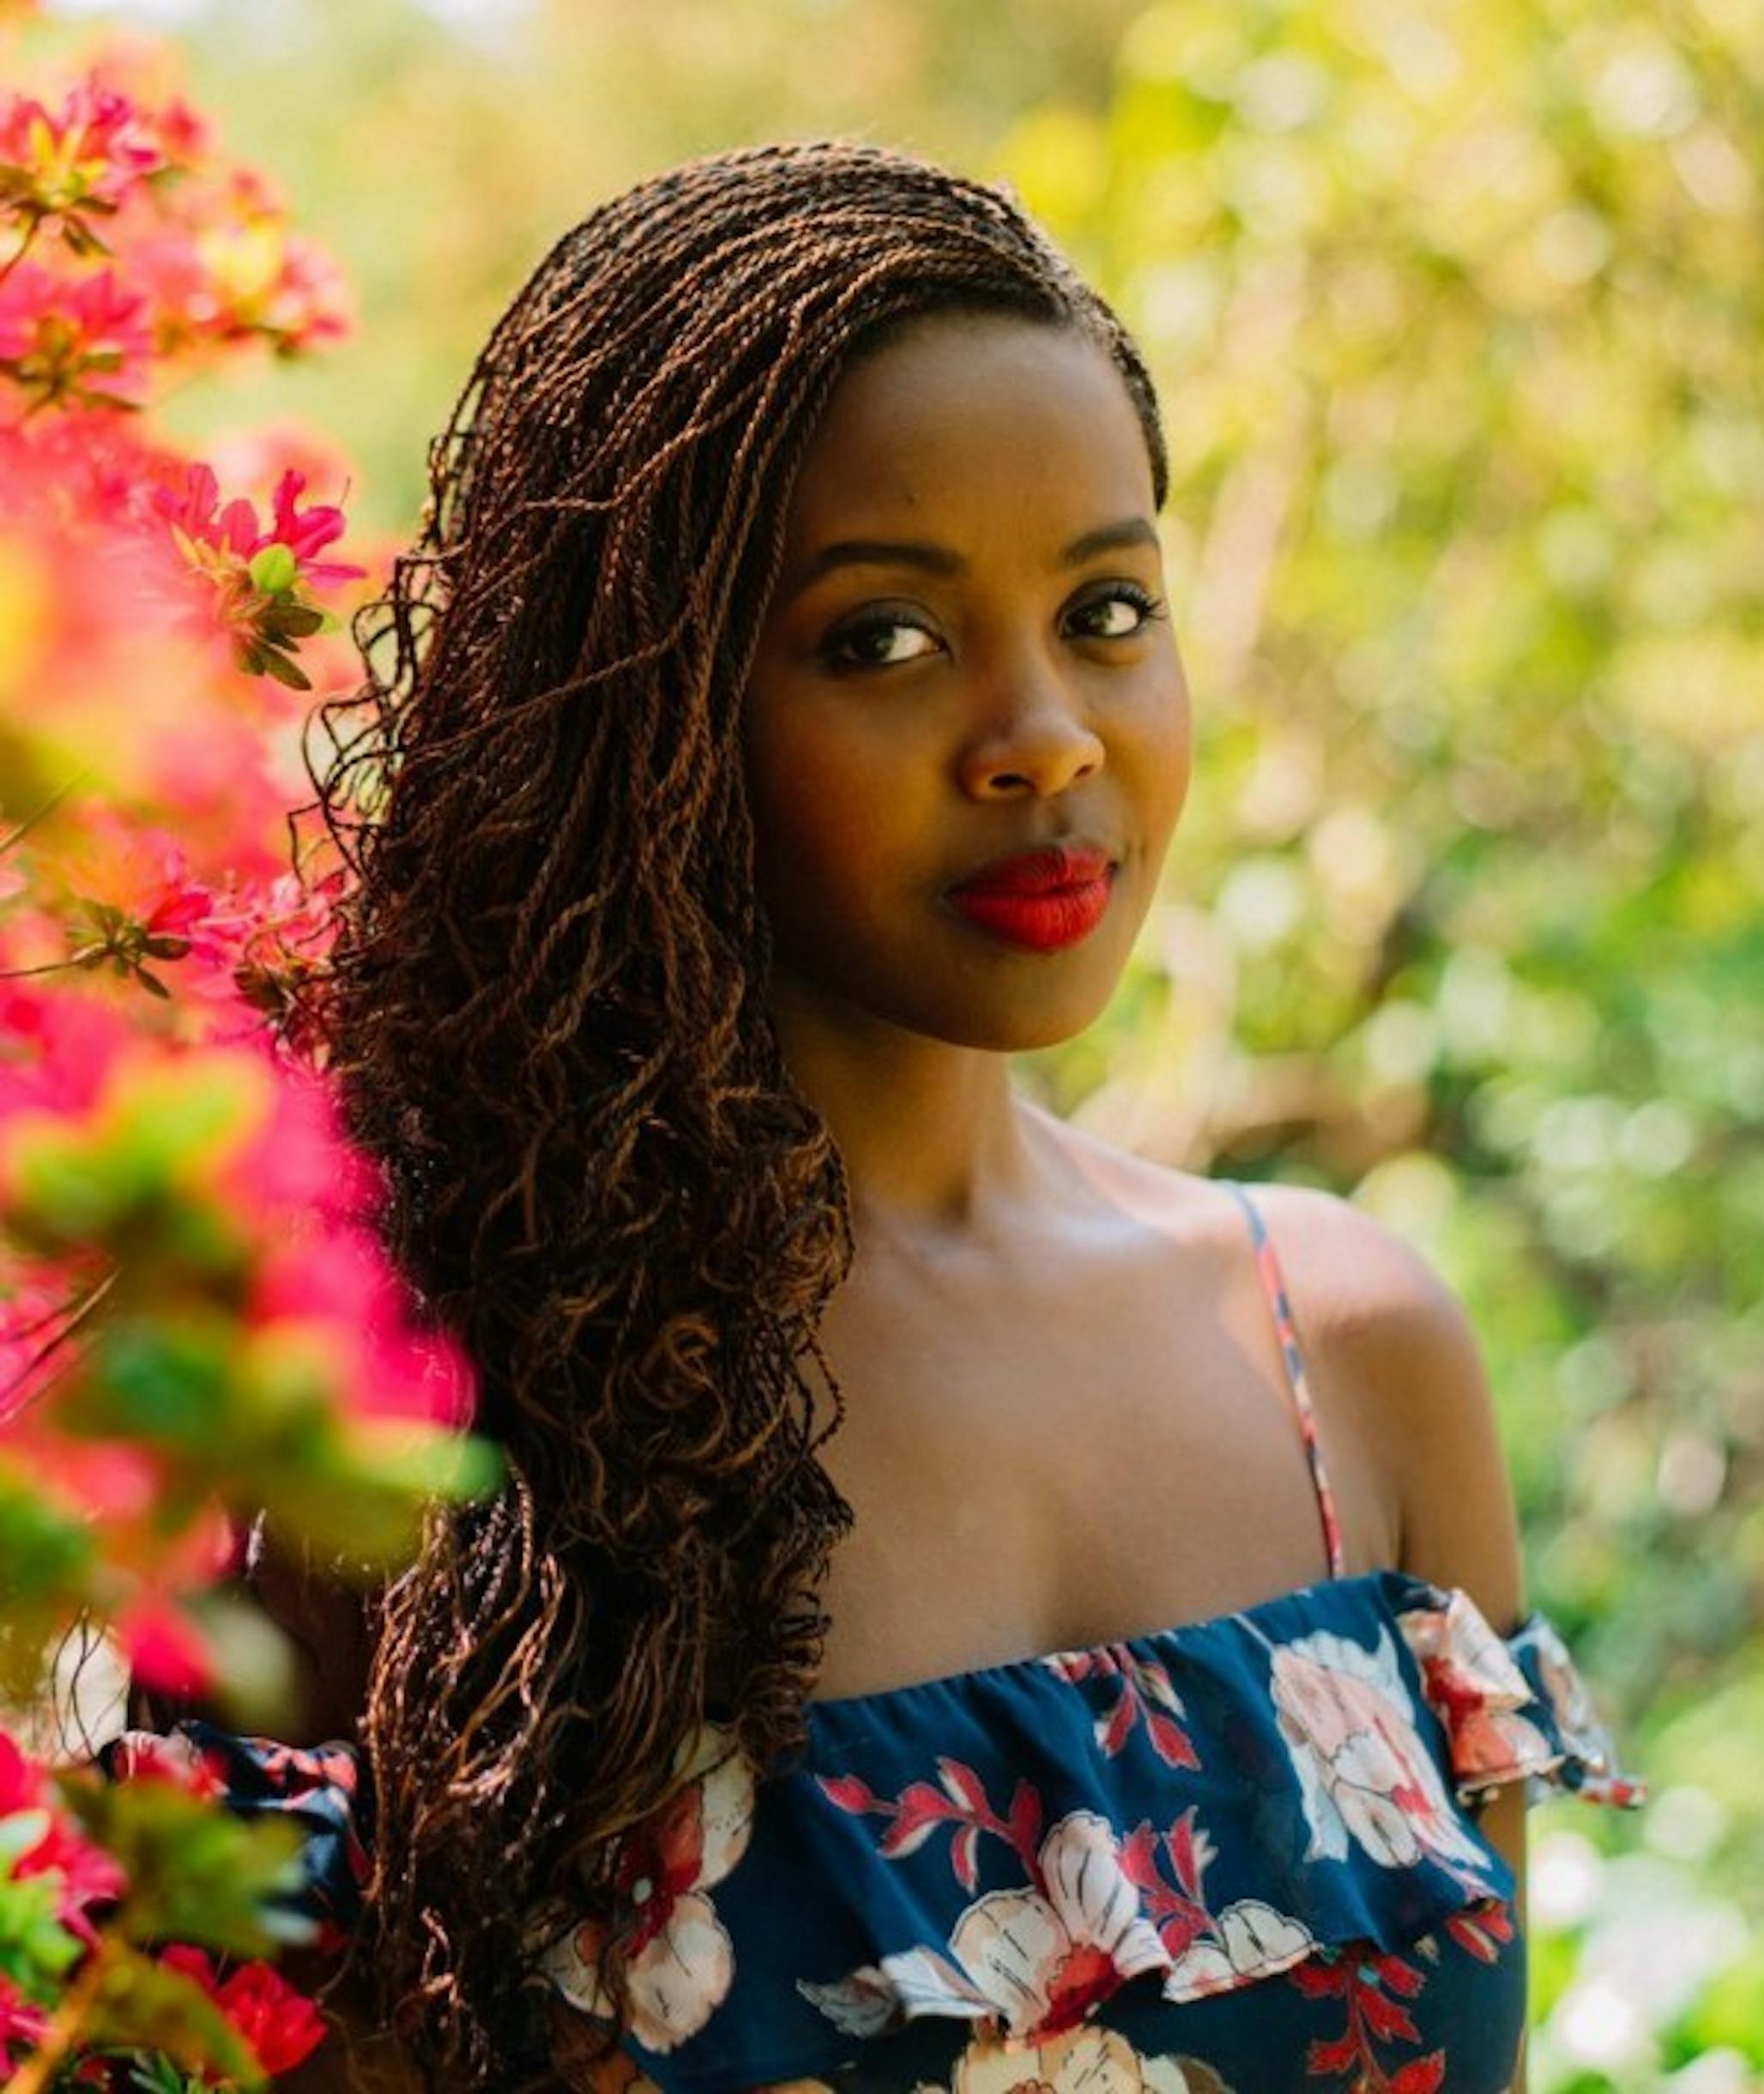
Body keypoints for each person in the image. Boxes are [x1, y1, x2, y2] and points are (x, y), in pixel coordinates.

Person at [132, 140, 1640, 2092]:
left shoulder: (1349, 1362)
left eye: (1109, 608)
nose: (1047, 734)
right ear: (646, 703)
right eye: (885, 640)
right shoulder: (393, 1427)